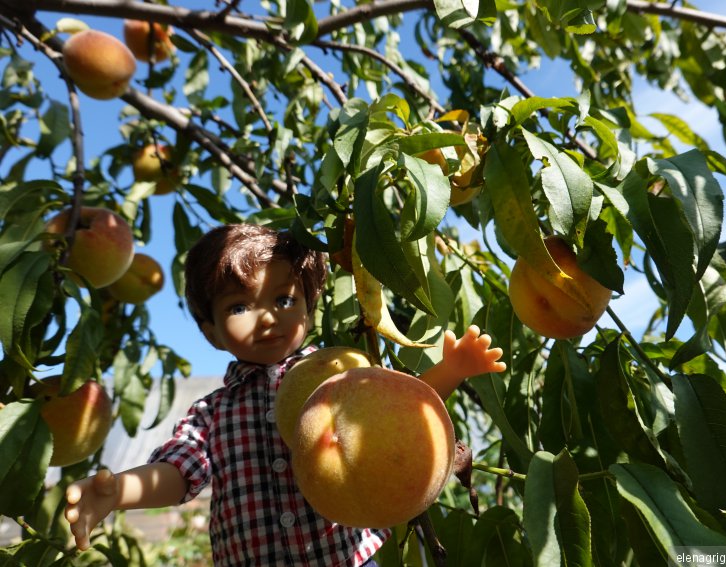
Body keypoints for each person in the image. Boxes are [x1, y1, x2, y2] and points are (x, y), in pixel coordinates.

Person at [64, 223, 507, 566]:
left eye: (284, 299)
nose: (267, 318)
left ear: (311, 308)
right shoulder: (212, 412)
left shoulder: (341, 369)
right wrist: (119, 490)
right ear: (211, 332)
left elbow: (405, 415)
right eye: (239, 307)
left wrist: (453, 368)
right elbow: (179, 471)